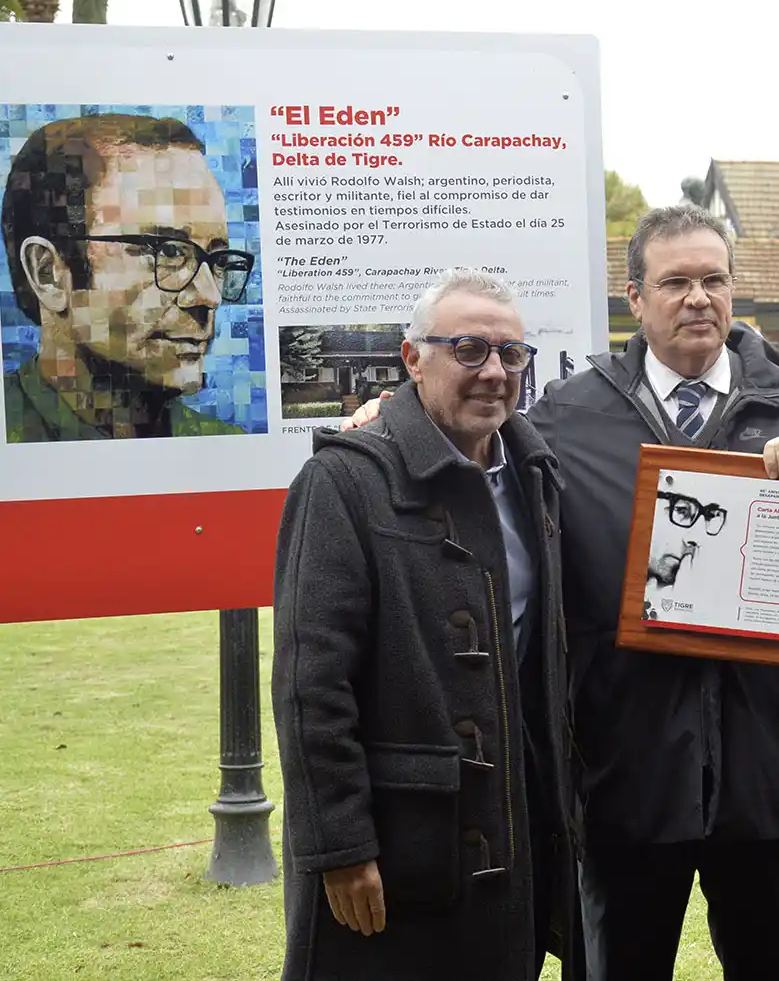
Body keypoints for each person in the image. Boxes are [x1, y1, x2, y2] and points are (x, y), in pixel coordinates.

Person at [344, 203, 779, 980]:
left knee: (766, 963)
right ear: (635, 300)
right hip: (625, 770)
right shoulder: (561, 421)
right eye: (675, 281)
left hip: (762, 775)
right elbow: (460, 439)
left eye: (714, 280)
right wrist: (389, 418)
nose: (698, 298)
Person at [271, 268, 578, 981]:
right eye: (468, 350)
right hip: (400, 844)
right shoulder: (345, 482)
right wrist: (338, 847)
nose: (494, 372)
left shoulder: (535, 475)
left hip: (512, 832)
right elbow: (310, 685)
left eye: (511, 354)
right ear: (413, 359)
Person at [1, 114, 255, 441]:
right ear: (48, 273)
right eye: (169, 251)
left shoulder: (224, 447)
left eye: (217, 259)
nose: (209, 296)